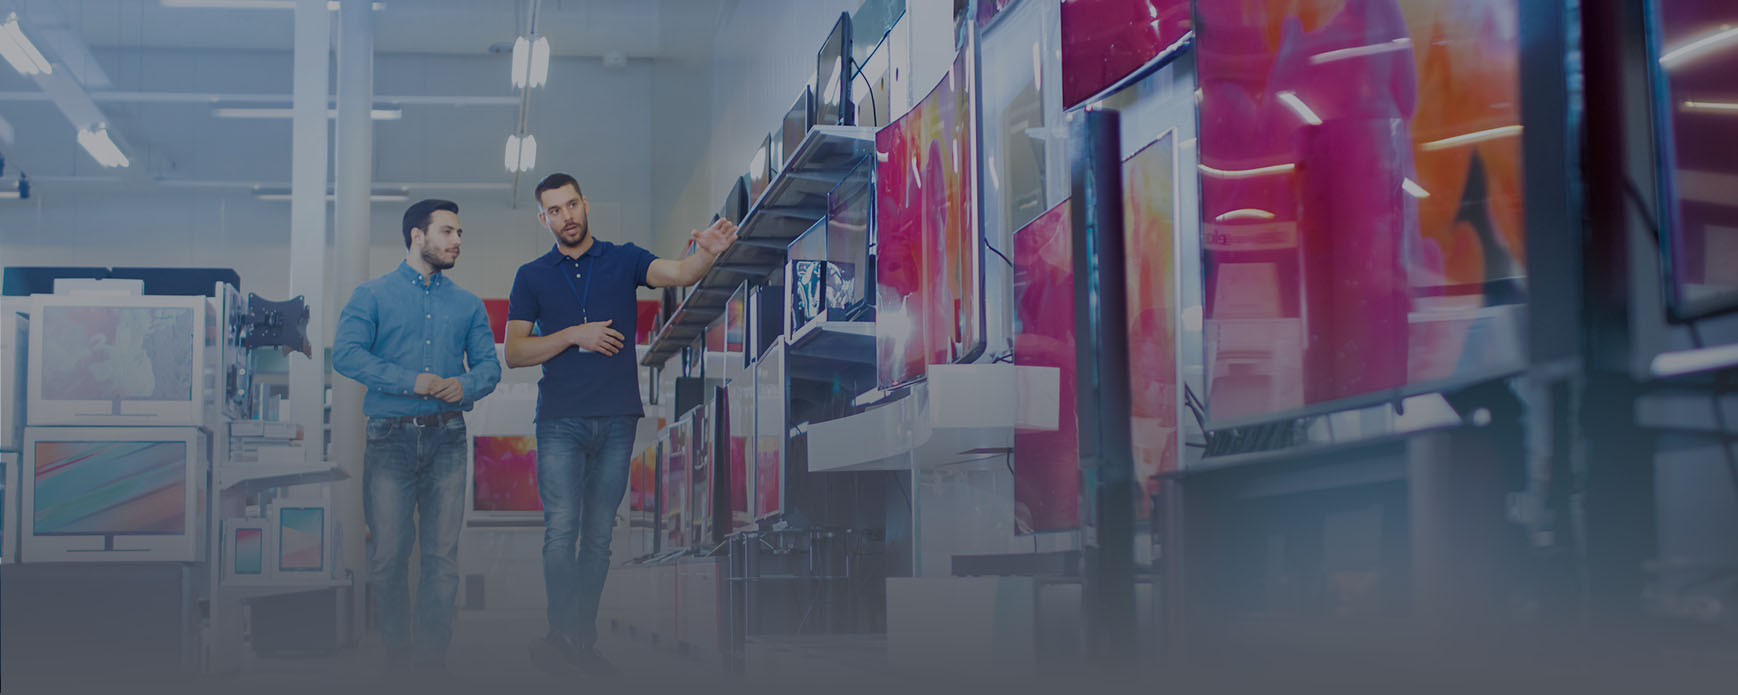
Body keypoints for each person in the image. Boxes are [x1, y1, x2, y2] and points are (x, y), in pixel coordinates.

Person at [505, 172, 737, 675]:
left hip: (617, 419)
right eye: (554, 210)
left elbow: (680, 272)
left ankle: (579, 640)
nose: (566, 216)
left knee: (599, 537)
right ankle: (562, 632)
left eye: (571, 205)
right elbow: (516, 352)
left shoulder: (624, 258)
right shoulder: (531, 276)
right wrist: (573, 335)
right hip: (560, 420)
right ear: (543, 218)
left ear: (585, 205)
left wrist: (708, 253)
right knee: (560, 529)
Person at [333, 198, 502, 672]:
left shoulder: (467, 304)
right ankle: (397, 653)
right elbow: (345, 355)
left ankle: (429, 664)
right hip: (389, 438)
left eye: (460, 234)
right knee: (387, 557)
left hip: (448, 438)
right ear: (416, 235)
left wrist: (463, 385)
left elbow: (489, 367)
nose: (457, 242)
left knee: (441, 560)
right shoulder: (371, 295)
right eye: (448, 232)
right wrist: (413, 382)